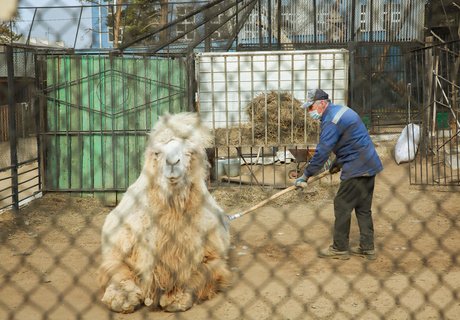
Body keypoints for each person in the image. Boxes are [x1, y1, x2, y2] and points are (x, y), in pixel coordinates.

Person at [295, 89, 383, 260]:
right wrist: (338, 163)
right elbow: (350, 141)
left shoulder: (331, 120)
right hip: (369, 163)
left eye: (311, 107)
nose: (310, 112)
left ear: (322, 103)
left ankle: (340, 248)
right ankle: (367, 247)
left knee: (342, 205)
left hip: (357, 167)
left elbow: (322, 151)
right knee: (363, 208)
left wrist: (306, 175)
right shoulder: (340, 111)